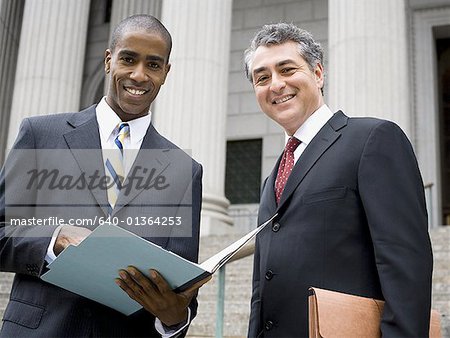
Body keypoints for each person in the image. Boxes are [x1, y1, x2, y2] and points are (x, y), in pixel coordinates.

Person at [0, 14, 207, 337]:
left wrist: (174, 317)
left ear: (165, 73)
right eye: (128, 59)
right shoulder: (41, 134)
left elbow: (181, 292)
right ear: (109, 60)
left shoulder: (185, 170)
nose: (139, 75)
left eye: (153, 65)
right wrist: (55, 240)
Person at [244, 23, 433, 337]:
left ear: (318, 74)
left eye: (287, 69)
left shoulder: (373, 139)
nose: (276, 85)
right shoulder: (272, 180)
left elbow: (405, 264)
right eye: (262, 78)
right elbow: (261, 288)